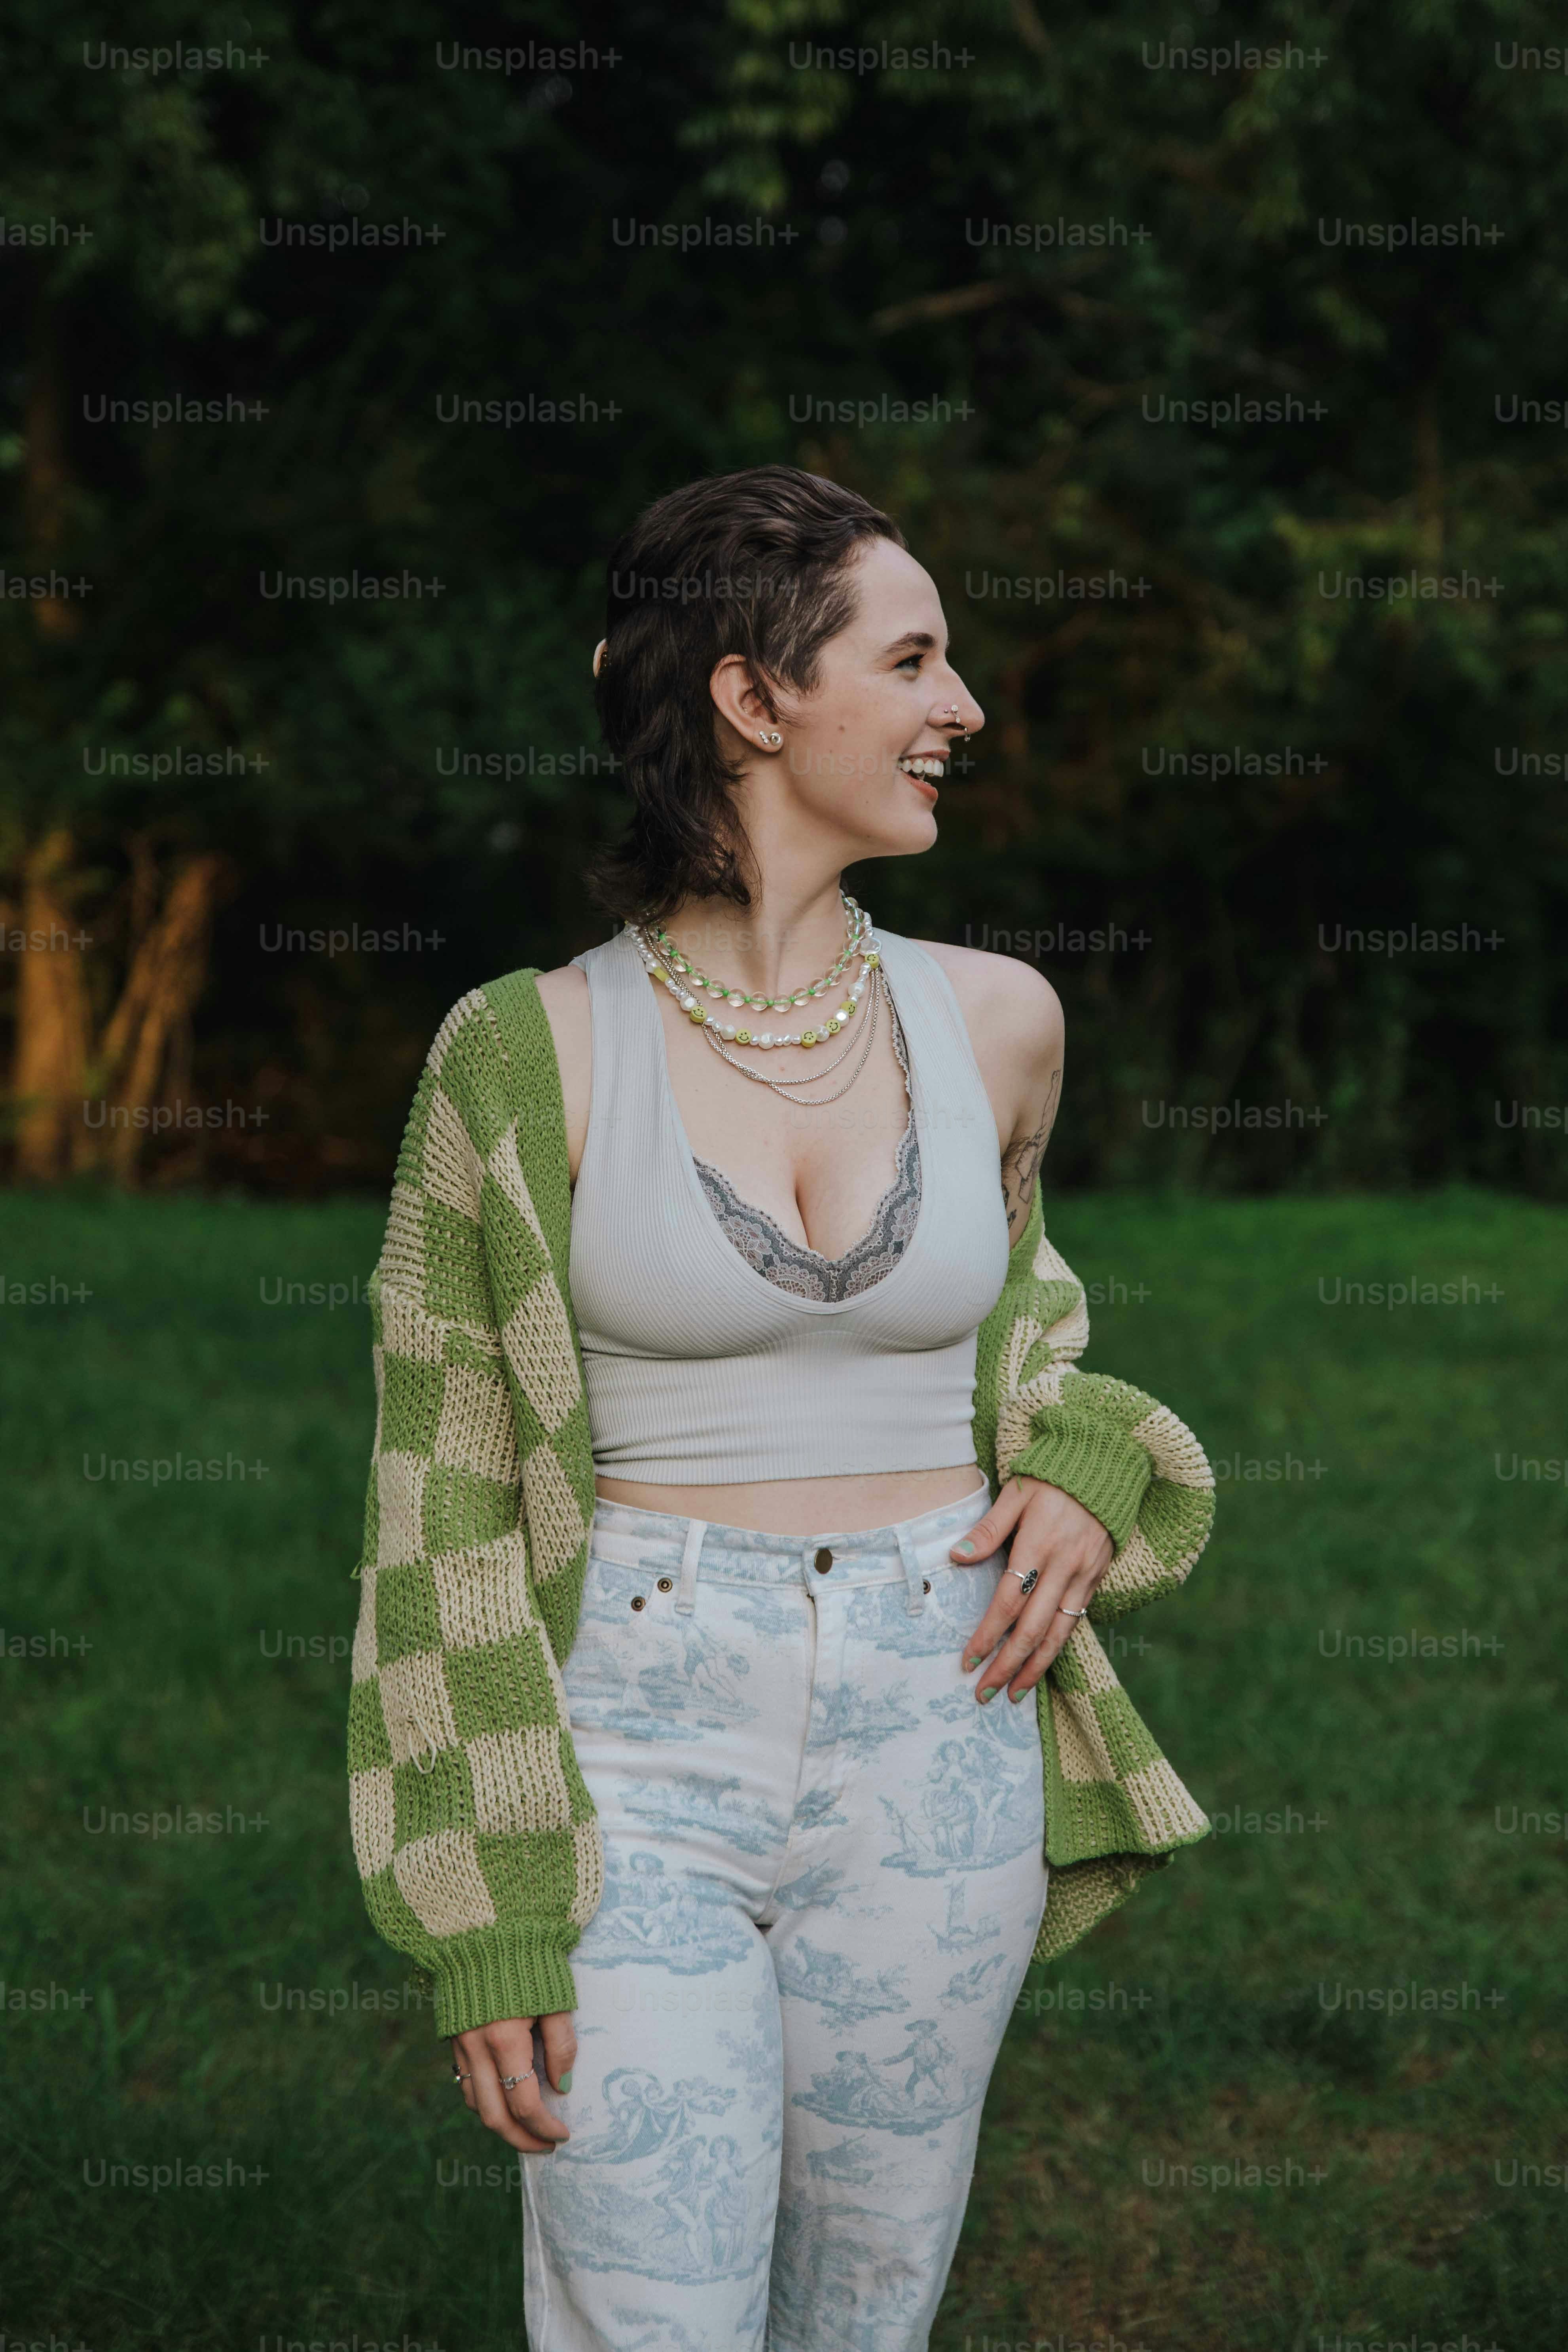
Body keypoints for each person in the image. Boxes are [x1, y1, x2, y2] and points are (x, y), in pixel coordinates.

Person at [345, 464, 1216, 2350]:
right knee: (654, 2312)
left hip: (942, 1714)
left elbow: (1028, 1328)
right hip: (634, 1745)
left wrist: (1078, 1456)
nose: (961, 707)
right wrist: (478, 1902)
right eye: (912, 658)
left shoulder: (998, 1022)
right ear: (753, 698)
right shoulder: (524, 1052)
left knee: (867, 2312)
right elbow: (442, 1503)